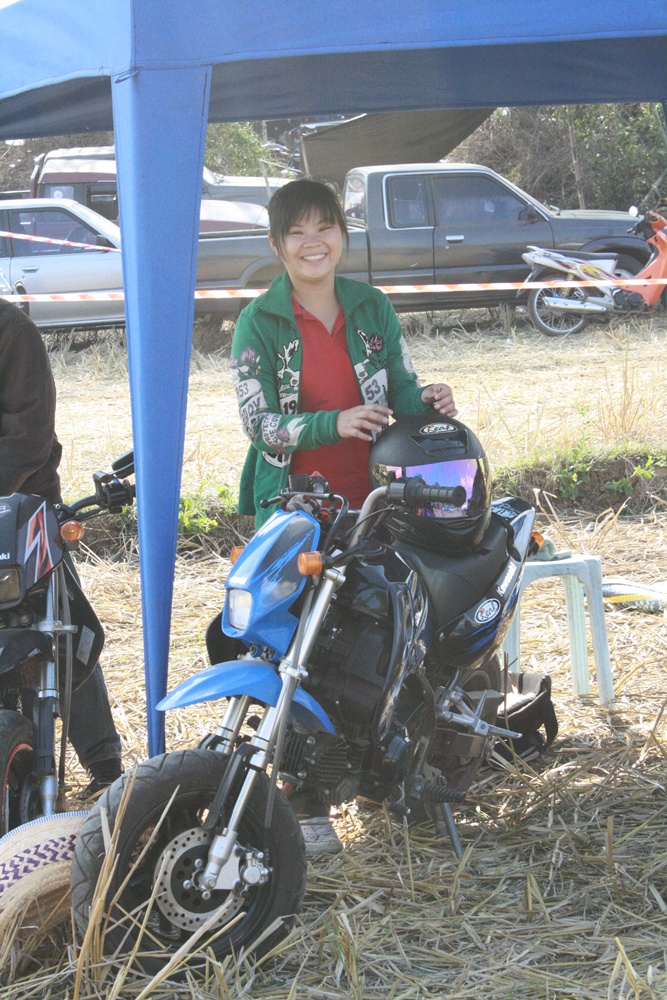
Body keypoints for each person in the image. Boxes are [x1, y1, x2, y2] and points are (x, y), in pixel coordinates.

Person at [230, 179, 458, 854]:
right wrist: (334, 422)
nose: (312, 242)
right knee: (299, 649)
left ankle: (384, 776)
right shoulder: (258, 322)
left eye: (323, 227)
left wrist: (430, 402)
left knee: (381, 641)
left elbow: (401, 391)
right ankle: (303, 803)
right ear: (277, 245)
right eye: (296, 231)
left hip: (379, 501)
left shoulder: (370, 307)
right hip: (297, 506)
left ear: (342, 235)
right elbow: (259, 424)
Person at [0, 298, 123, 798]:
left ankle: (104, 764)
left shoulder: (12, 331)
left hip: (21, 508)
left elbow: (29, 438)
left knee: (62, 624)